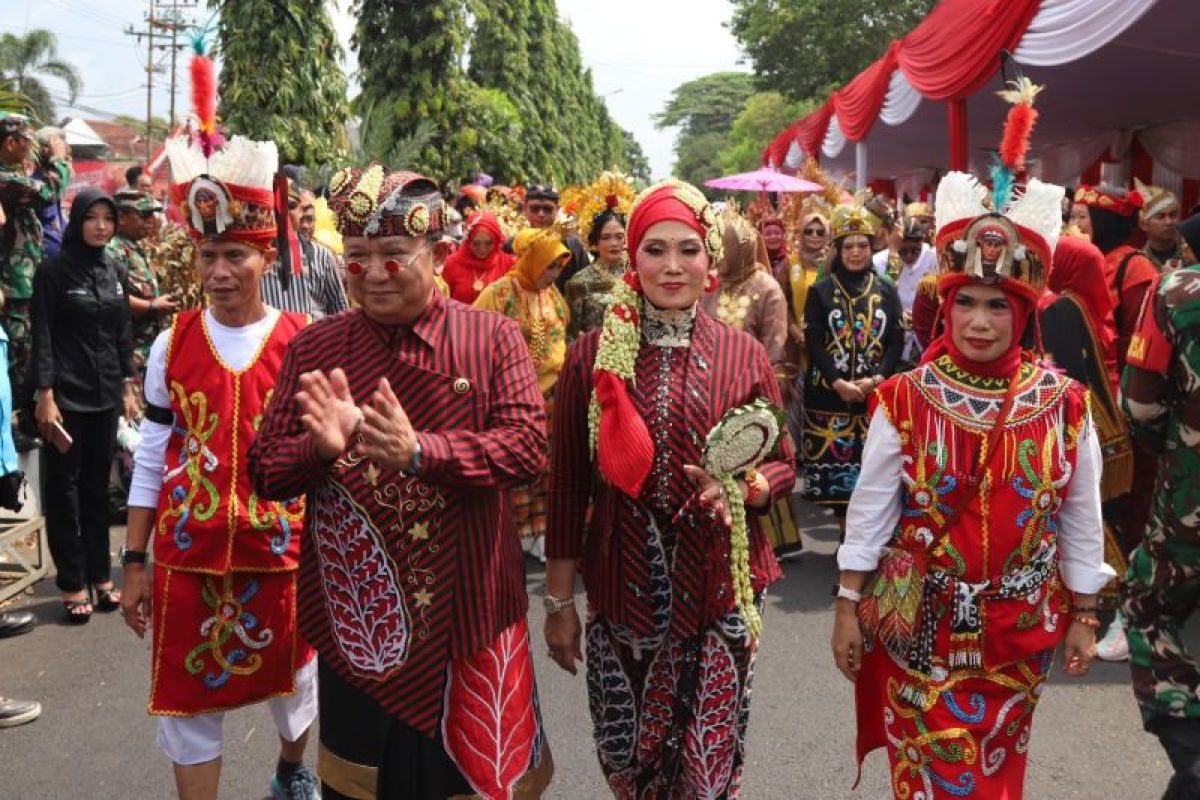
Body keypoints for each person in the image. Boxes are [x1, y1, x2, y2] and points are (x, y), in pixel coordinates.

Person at [249, 165, 553, 799]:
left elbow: (528, 448)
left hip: (469, 616)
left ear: (439, 253)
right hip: (360, 624)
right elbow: (265, 472)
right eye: (357, 257)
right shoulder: (315, 348)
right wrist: (319, 451)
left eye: (394, 254)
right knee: (362, 786)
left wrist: (423, 453)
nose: (374, 273)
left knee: (468, 783)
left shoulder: (491, 337)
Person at [833, 162, 1110, 798]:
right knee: (929, 780)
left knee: (996, 776)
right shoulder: (903, 399)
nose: (979, 321)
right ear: (945, 306)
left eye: (997, 306)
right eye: (966, 303)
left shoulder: (1066, 403)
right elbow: (871, 511)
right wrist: (848, 606)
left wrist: (1086, 613)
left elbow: (1079, 514)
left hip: (1020, 632)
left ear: (1024, 314)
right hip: (920, 628)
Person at [544, 179, 795, 798]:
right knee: (626, 762)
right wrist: (557, 606)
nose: (673, 266)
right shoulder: (591, 357)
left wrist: (746, 485)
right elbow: (569, 485)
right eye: (655, 250)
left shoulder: (743, 356)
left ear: (712, 262)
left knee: (710, 766)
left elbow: (783, 463)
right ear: (633, 258)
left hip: (721, 591)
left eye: (689, 249)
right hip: (620, 589)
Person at [120, 134, 319, 800]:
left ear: (266, 256)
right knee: (186, 711)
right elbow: (153, 457)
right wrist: (134, 562)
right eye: (209, 256)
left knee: (297, 694)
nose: (221, 272)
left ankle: (292, 771)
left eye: (236, 255)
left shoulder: (304, 341)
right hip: (188, 558)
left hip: (283, 554)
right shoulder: (168, 344)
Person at [28, 187, 138, 623]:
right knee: (64, 492)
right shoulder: (53, 271)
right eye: (91, 217)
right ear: (77, 221)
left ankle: (100, 577)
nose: (100, 226)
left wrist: (128, 386)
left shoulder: (114, 268)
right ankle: (72, 582)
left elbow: (121, 330)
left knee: (97, 489)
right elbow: (42, 335)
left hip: (105, 393)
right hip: (65, 397)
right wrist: (44, 392)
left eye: (107, 219)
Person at [1121, 211, 1200, 799]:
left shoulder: (1174, 290)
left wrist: (1175, 450)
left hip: (1190, 498)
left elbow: (1142, 406)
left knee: (1148, 606)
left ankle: (1192, 750)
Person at [702, 212, 801, 557]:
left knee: (760, 462)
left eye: (723, 247)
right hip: (712, 389)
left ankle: (769, 540)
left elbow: (775, 343)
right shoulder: (712, 282)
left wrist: (768, 387)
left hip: (754, 389)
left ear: (741, 248)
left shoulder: (766, 287)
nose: (717, 255)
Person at [1075, 184, 1161, 579]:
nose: (1074, 225)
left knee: (1124, 490)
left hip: (1120, 391)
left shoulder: (1135, 268)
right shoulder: (1088, 260)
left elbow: (1139, 340)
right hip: (1087, 385)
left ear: (1104, 222)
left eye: (1081, 218)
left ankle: (1128, 568)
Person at [801, 204, 903, 529]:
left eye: (862, 245)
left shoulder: (887, 289)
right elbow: (813, 343)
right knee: (841, 489)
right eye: (849, 246)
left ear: (871, 248)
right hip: (830, 398)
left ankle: (868, 544)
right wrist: (838, 383)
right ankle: (846, 544)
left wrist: (876, 379)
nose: (856, 252)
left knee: (873, 478)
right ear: (838, 250)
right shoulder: (821, 291)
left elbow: (896, 341)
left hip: (875, 398)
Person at [474, 226, 570, 562]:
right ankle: (519, 533)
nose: (554, 274)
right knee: (520, 465)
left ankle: (541, 531)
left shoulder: (553, 295)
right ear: (532, 261)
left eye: (559, 267)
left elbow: (562, 334)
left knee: (547, 469)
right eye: (550, 266)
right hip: (514, 396)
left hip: (553, 397)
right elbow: (477, 339)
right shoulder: (499, 294)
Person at [0, 112, 65, 397]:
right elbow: (47, 192)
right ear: (11, 143)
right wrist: (59, 160)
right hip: (13, 285)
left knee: (29, 349)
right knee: (18, 354)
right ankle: (18, 419)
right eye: (26, 140)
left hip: (23, 281)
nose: (31, 147)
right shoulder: (5, 179)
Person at [108, 190, 179, 377]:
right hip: (130, 352)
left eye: (152, 215)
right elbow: (113, 299)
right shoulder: (113, 251)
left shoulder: (137, 246)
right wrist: (152, 306)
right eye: (144, 215)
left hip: (148, 349)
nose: (150, 221)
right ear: (121, 217)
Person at [260, 179, 348, 319]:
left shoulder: (322, 257)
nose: (282, 212)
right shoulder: (253, 261)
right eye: (274, 205)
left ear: (300, 212)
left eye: (290, 205)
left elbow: (341, 315)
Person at [564, 173, 635, 339]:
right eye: (606, 238)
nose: (614, 243)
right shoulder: (580, 281)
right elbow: (571, 334)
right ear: (594, 243)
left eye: (619, 236)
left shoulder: (639, 275)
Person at [523, 183, 589, 289]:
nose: (541, 214)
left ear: (557, 210)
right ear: (524, 209)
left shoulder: (572, 246)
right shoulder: (514, 245)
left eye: (547, 209)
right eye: (535, 208)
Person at [440, 210, 513, 304]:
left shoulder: (507, 263)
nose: (482, 250)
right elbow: (442, 302)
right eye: (476, 244)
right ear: (467, 241)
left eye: (489, 243)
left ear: (496, 240)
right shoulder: (450, 264)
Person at [32, 126, 71, 262]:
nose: (66, 150)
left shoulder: (50, 181)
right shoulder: (37, 183)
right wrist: (58, 160)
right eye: (59, 145)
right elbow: (51, 191)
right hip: (42, 264)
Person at [1136, 179, 1184, 272]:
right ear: (1144, 224)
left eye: (1173, 215)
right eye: (1161, 217)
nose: (1169, 222)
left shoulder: (1192, 256)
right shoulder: (1138, 263)